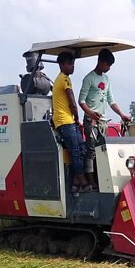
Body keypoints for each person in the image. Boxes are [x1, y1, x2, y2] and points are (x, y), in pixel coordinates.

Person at [79, 48, 132, 186]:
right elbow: (81, 101)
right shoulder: (89, 78)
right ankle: (91, 181)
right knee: (91, 151)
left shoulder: (106, 79)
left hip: (103, 122)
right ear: (101, 61)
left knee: (102, 151)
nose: (108, 68)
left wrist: (122, 115)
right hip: (91, 121)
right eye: (107, 65)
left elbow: (111, 100)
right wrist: (90, 113)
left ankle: (101, 179)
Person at [50, 51, 90, 192]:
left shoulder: (59, 79)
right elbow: (73, 102)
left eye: (73, 64)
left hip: (66, 121)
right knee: (77, 151)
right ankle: (83, 181)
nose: (72, 67)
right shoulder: (65, 79)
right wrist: (77, 119)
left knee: (82, 150)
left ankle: (75, 182)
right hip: (65, 121)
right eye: (69, 64)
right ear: (61, 65)